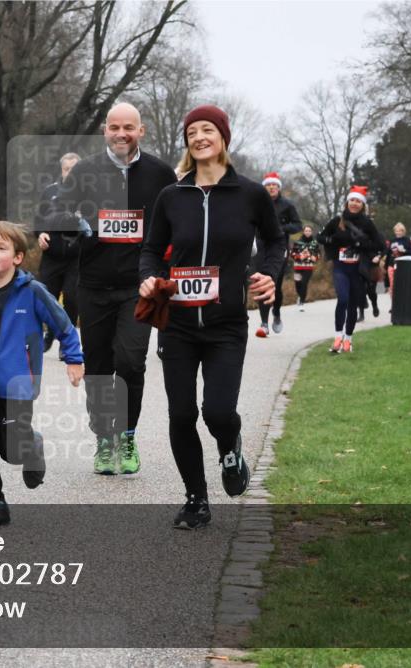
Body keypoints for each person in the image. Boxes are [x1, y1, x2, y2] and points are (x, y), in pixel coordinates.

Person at [139, 104, 284, 529]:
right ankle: (196, 499)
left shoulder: (251, 195)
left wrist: (269, 275)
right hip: (178, 323)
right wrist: (148, 278)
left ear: (223, 137)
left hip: (225, 325)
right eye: (192, 132)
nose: (199, 137)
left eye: (208, 130)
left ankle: (230, 445)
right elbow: (150, 250)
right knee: (181, 414)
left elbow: (276, 243)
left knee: (218, 412)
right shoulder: (172, 196)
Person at [52, 102, 177, 476]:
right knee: (100, 369)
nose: (121, 134)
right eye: (114, 127)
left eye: (129, 128)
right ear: (105, 130)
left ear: (142, 131)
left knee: (130, 362)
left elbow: (177, 223)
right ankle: (103, 440)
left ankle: (127, 435)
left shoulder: (160, 173)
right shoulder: (85, 171)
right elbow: (60, 214)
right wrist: (78, 224)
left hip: (138, 287)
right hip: (92, 285)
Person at [0, 221, 84, 528]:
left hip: (19, 386)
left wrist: (74, 359)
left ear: (17, 257)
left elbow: (64, 325)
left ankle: (32, 446)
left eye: (1, 248)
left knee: (11, 450)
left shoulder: (32, 293)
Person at [317, 186, 384, 353]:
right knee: (343, 299)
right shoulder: (337, 221)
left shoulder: (367, 223)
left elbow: (380, 244)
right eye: (352, 200)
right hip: (340, 267)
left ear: (363, 205)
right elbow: (320, 237)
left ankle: (348, 339)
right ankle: (338, 337)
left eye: (358, 201)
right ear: (347, 202)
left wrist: (360, 244)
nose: (354, 204)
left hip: (358, 269)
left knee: (353, 305)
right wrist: (332, 240)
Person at [34, 152, 81, 357]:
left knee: (71, 298)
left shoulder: (89, 193)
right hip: (52, 256)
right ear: (62, 170)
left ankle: (66, 343)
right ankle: (50, 332)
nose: (70, 173)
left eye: (75, 169)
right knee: (47, 298)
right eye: (67, 168)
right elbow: (38, 220)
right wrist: (41, 234)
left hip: (76, 257)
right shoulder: (49, 192)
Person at [254, 172, 302, 336]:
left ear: (278, 187)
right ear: (264, 187)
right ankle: (264, 323)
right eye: (268, 185)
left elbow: (297, 225)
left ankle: (277, 313)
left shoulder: (287, 205)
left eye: (274, 185)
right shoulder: (257, 203)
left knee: (276, 285)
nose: (271, 187)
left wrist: (281, 229)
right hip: (260, 246)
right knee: (262, 281)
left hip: (280, 246)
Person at [385, 222, 411, 309]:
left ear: (403, 231)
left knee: (402, 285)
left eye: (400, 231)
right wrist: (385, 267)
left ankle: (402, 304)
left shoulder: (407, 240)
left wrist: (404, 251)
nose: (398, 232)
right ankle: (394, 305)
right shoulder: (392, 241)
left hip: (403, 265)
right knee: (392, 285)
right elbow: (388, 254)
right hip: (392, 264)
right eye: (397, 231)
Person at [290, 225, 319, 310]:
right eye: (306, 231)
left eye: (309, 231)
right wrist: (299, 257)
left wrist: (315, 257)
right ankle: (300, 296)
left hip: (308, 267)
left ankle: (302, 302)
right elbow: (292, 253)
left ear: (311, 232)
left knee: (304, 283)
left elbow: (318, 254)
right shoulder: (297, 242)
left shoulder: (314, 243)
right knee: (297, 284)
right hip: (298, 266)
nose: (307, 232)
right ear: (303, 232)